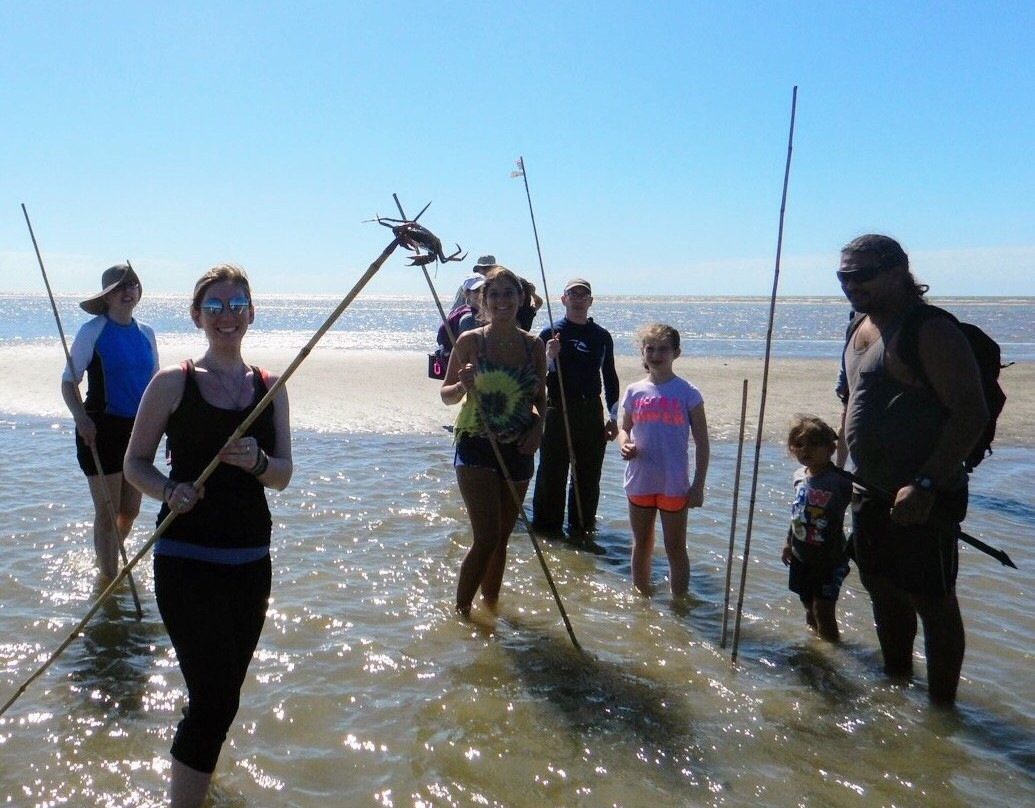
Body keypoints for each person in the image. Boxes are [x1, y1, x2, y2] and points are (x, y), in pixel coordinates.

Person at [124, 264, 293, 806]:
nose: (227, 315)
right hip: (185, 558)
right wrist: (169, 490)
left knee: (218, 695)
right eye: (215, 306)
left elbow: (284, 475)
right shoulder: (173, 382)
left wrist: (258, 460)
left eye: (237, 304)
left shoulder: (270, 388)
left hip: (250, 562)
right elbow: (134, 465)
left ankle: (193, 767)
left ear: (251, 312)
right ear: (197, 316)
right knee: (215, 700)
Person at [836, 234, 988, 706]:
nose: (851, 285)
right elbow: (850, 404)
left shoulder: (930, 329)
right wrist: (837, 473)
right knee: (880, 587)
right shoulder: (857, 325)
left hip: (925, 494)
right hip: (868, 487)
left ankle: (943, 712)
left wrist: (924, 484)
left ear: (899, 269)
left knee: (932, 600)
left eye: (862, 275)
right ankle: (897, 683)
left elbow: (970, 412)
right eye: (844, 276)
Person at [441, 266, 547, 616]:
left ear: (520, 298)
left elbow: (540, 396)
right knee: (485, 537)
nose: (502, 300)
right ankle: (461, 613)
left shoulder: (534, 345)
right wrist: (462, 383)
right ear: (484, 301)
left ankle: (490, 609)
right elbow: (446, 396)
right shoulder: (470, 341)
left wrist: (537, 430)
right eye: (495, 294)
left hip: (519, 446)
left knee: (501, 540)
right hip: (476, 441)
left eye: (508, 293)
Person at [61, 264, 159, 580]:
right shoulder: (93, 331)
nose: (127, 290)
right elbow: (68, 382)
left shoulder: (146, 333)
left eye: (132, 284)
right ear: (107, 296)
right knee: (107, 509)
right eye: (119, 287)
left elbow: (156, 384)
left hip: (138, 431)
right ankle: (108, 581)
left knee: (129, 510)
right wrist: (80, 419)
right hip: (100, 429)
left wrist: (165, 427)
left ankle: (107, 557)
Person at [617, 323, 709, 596]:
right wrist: (625, 444)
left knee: (675, 547)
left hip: (674, 483)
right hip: (640, 479)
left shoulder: (688, 392)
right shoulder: (634, 391)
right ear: (642, 353)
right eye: (650, 349)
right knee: (641, 543)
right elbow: (625, 429)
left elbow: (703, 443)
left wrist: (698, 486)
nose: (656, 355)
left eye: (663, 349)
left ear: (676, 353)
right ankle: (641, 599)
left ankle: (679, 604)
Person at [531, 278, 620, 551]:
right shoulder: (550, 332)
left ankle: (582, 529)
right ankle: (547, 531)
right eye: (573, 294)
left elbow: (611, 378)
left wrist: (614, 417)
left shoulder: (601, 336)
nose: (579, 299)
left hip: (590, 410)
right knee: (551, 472)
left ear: (590, 301)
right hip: (558, 408)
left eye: (584, 295)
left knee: (588, 475)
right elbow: (533, 378)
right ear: (564, 300)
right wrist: (548, 357)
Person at [781, 414, 853, 642]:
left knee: (824, 611)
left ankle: (833, 654)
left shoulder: (840, 481)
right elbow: (797, 513)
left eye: (813, 444)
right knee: (808, 607)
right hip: (802, 555)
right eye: (799, 445)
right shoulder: (799, 477)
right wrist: (788, 543)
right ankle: (815, 648)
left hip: (828, 558)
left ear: (831, 449)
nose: (805, 450)